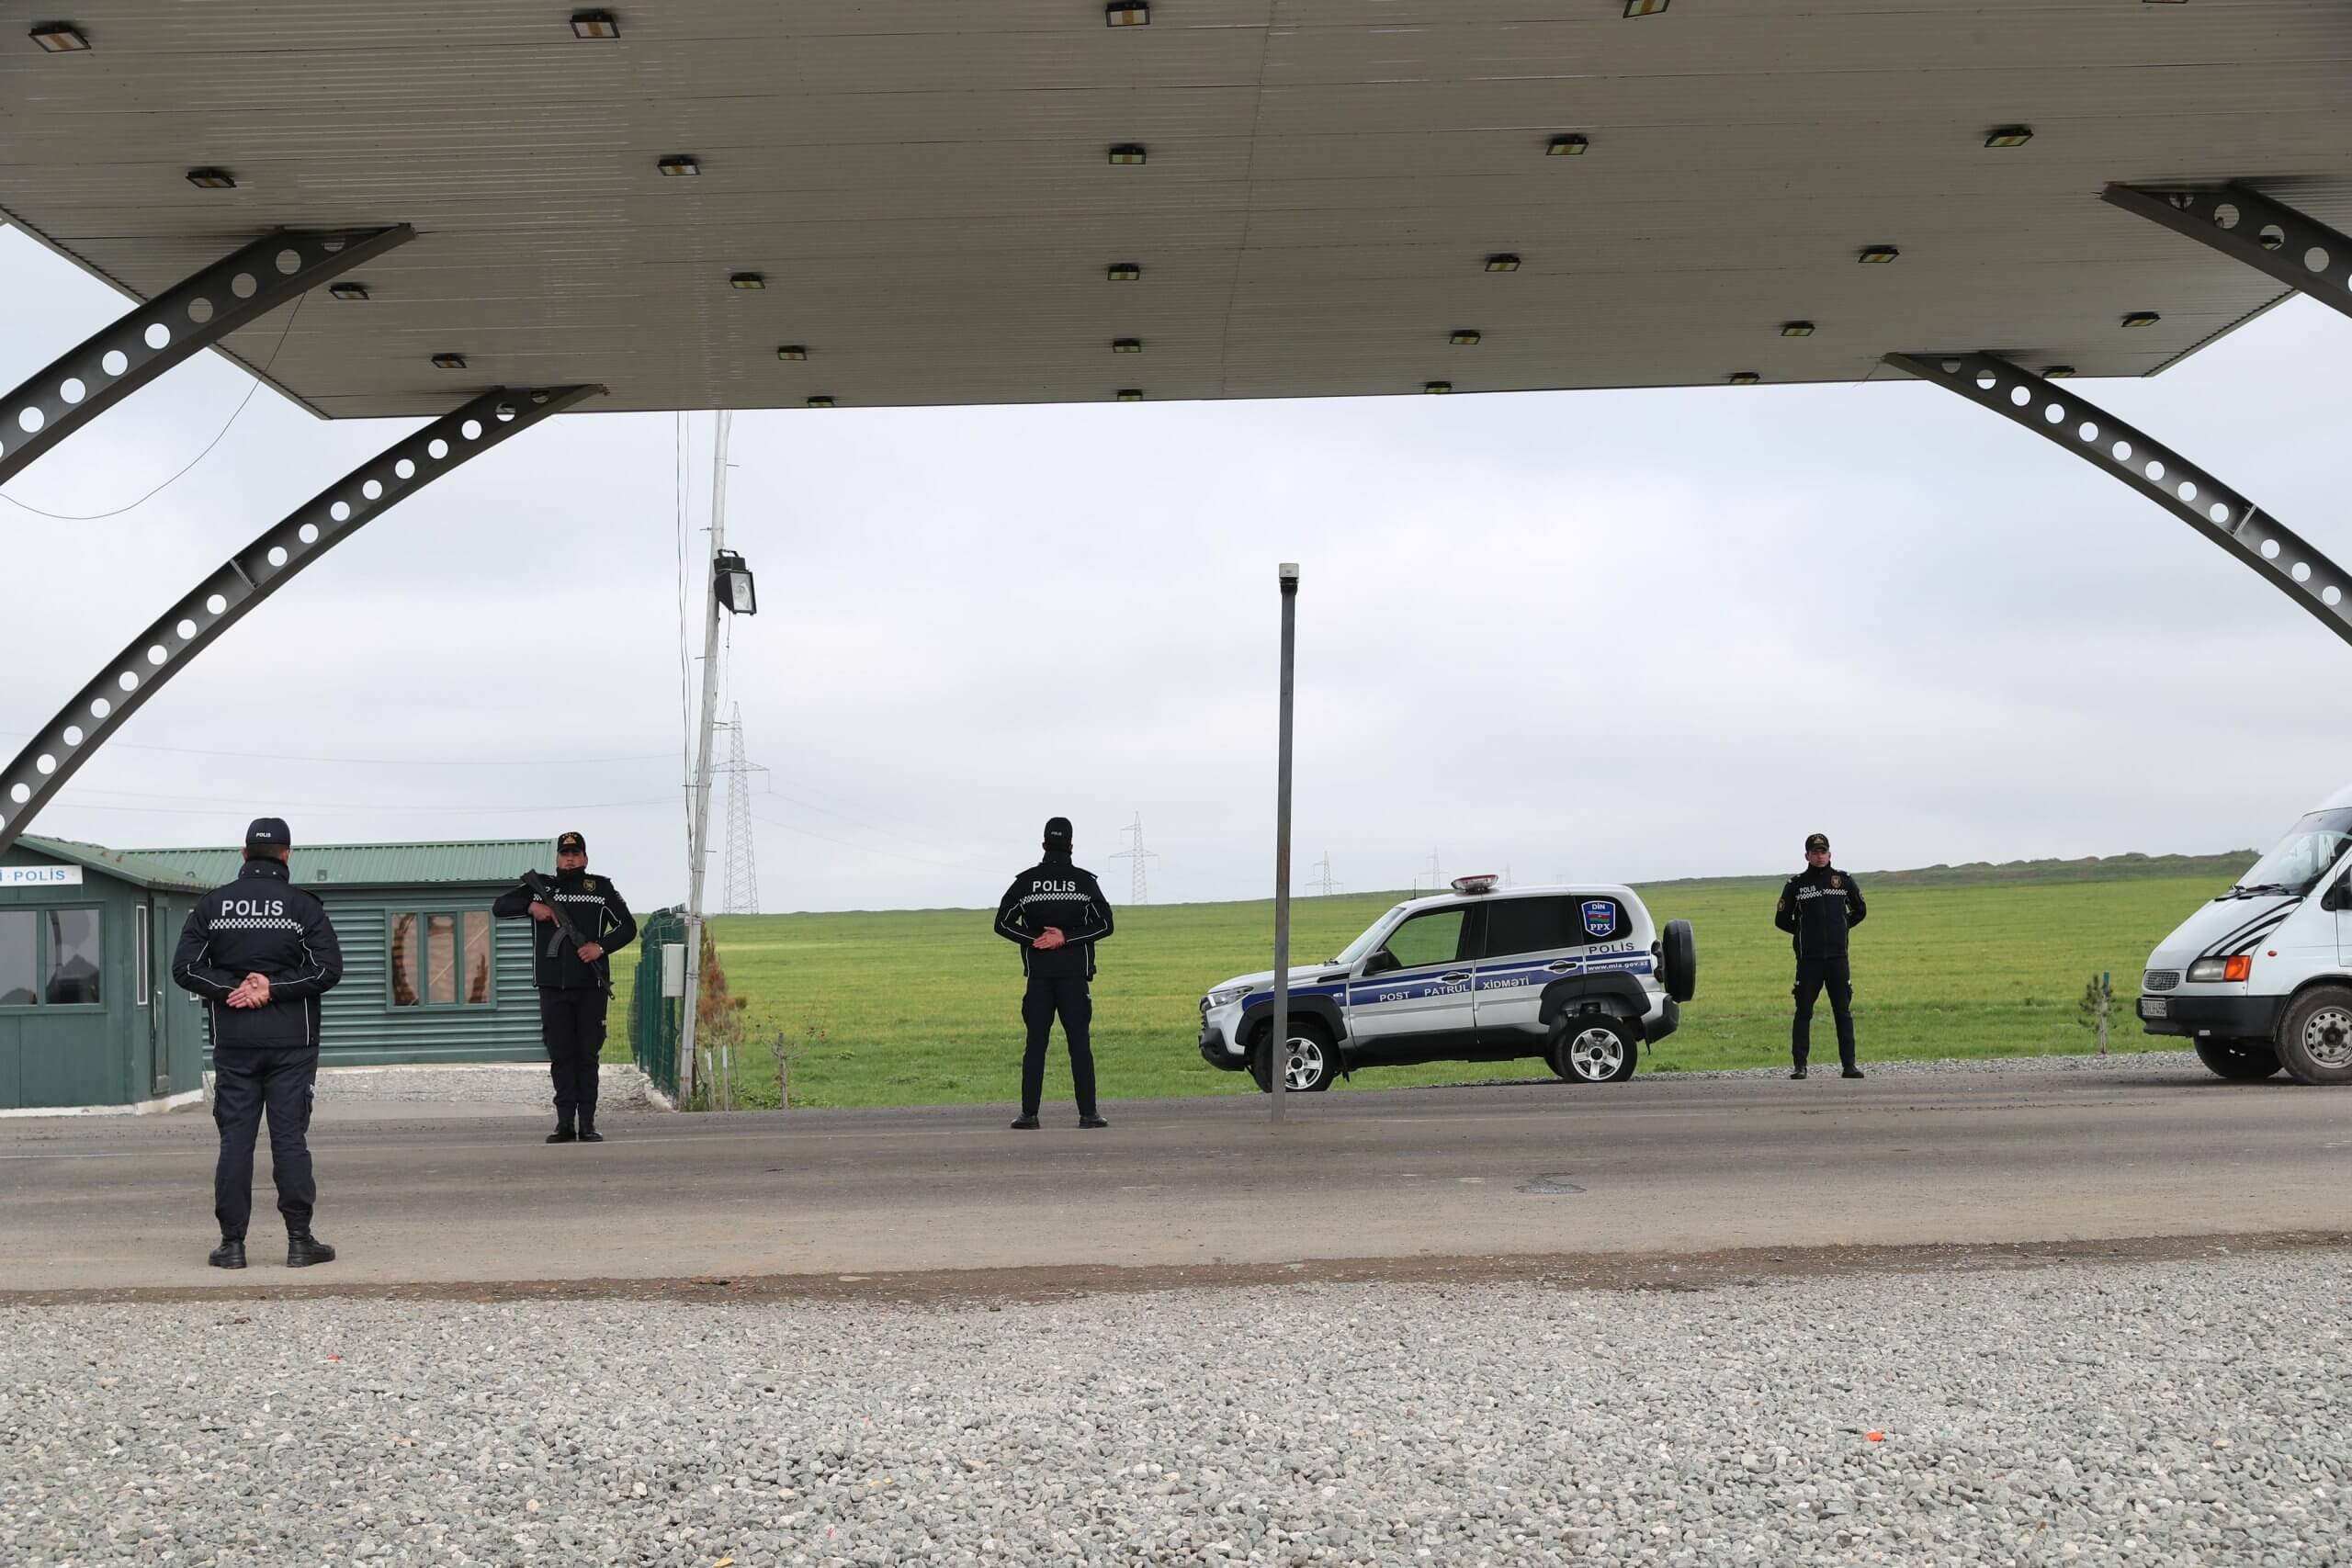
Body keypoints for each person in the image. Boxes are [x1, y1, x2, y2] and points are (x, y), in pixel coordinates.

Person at [171, 817, 345, 1269]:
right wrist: (270, 988)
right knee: (289, 1139)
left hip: (235, 1040)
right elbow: (327, 969)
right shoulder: (304, 907)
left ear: (244, 854)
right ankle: (299, 1242)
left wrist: (236, 987)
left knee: (235, 1142)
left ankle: (232, 1246)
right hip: (293, 1041)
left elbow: (185, 968)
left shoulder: (213, 905)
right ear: (287, 854)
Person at [493, 830, 637, 1144]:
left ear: (585, 858)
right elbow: (500, 907)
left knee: (587, 1054)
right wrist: (532, 908)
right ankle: (563, 1124)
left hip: (590, 985)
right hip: (552, 986)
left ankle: (587, 1123)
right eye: (564, 853)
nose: (569, 858)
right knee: (561, 1055)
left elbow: (628, 927)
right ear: (557, 858)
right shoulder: (541, 889)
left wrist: (600, 947)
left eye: (575, 853)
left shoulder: (600, 888)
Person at [992, 816, 1115, 1130]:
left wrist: (1035, 940)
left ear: (1044, 844)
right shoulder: (1085, 882)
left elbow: (1002, 923)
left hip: (1039, 977)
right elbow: (1105, 924)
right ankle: (1089, 1115)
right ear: (1071, 845)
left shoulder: (1026, 882)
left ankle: (1028, 1115)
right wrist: (1066, 937)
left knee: (1035, 1044)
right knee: (1079, 1044)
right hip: (1075, 977)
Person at [1775, 831, 1868, 1080]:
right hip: (1809, 961)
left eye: (1823, 852)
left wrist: (1842, 926)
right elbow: (1781, 920)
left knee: (1843, 1012)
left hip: (1837, 958)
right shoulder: (1796, 885)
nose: (1819, 856)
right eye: (1815, 852)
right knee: (1803, 1011)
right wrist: (1804, 932)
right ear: (1807, 855)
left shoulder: (1843, 880)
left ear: (1830, 854)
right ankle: (1800, 1066)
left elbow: (1860, 910)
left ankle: (1849, 1065)